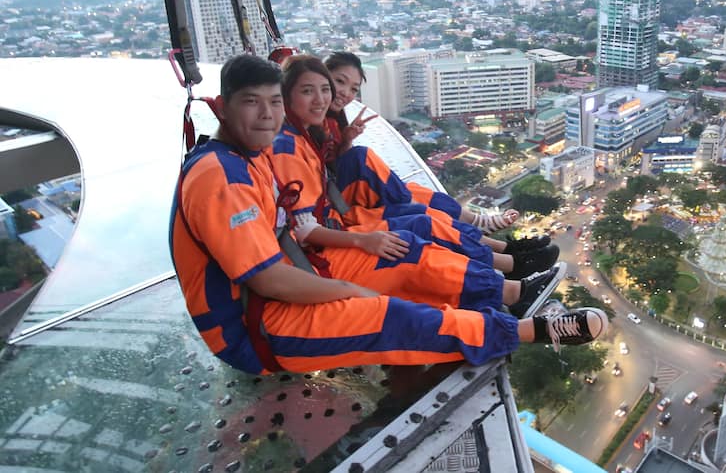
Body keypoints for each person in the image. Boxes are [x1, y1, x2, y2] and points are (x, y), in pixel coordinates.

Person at [170, 54, 608, 375]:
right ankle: (526, 331)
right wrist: (347, 290)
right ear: (220, 106)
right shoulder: (222, 177)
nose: (267, 115)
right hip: (259, 329)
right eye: (252, 102)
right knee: (391, 316)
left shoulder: (248, 154)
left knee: (410, 249)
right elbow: (267, 278)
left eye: (273, 102)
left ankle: (509, 291)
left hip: (295, 276)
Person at [267, 54, 556, 313]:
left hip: (332, 219)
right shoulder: (289, 146)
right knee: (415, 224)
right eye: (309, 90)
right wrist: (362, 238)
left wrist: (346, 141)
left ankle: (507, 261)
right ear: (287, 95)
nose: (323, 98)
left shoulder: (305, 132)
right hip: (327, 239)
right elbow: (304, 230)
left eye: (327, 89)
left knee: (419, 207)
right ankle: (509, 281)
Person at [321, 52, 531, 255]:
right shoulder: (313, 119)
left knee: (426, 195)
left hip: (342, 189)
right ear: (322, 76)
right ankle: (502, 252)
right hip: (335, 200)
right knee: (366, 159)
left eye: (353, 89)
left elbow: (337, 161)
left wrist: (347, 138)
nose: (346, 93)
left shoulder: (332, 117)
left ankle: (483, 228)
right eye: (340, 82)